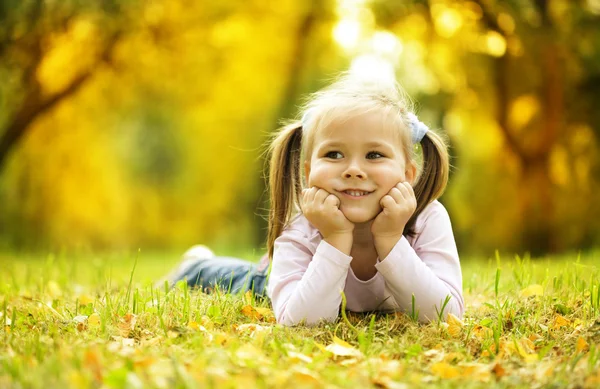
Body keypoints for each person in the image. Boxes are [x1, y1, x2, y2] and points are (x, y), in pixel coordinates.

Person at [159, 73, 464, 326]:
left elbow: (446, 315)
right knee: (246, 282)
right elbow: (300, 321)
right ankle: (195, 264)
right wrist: (335, 238)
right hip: (283, 279)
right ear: (308, 171)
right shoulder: (302, 225)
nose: (354, 170)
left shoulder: (427, 218)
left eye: (374, 155)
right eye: (334, 154)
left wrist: (390, 240)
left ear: (408, 173)